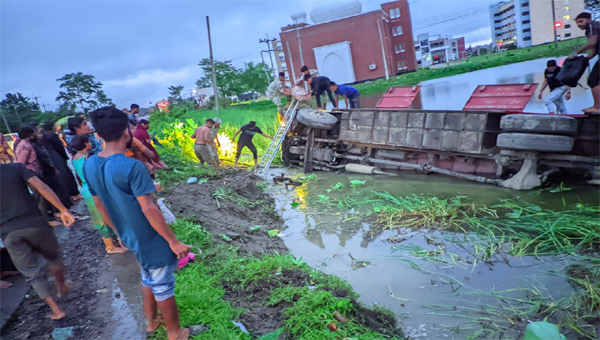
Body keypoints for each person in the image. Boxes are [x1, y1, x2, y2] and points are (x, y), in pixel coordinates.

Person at [83, 106, 205, 340]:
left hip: (128, 234)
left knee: (147, 276)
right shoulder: (131, 166)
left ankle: (151, 322)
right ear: (126, 133)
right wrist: (173, 241)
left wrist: (119, 233)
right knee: (162, 284)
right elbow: (148, 208)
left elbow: (99, 206)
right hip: (149, 236)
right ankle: (175, 333)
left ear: (98, 135)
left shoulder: (90, 165)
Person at [0, 162, 75, 320]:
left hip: (9, 233)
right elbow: (41, 188)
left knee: (32, 273)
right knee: (53, 256)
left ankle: (56, 310)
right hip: (36, 223)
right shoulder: (15, 168)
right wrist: (63, 210)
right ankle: (61, 285)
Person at [71, 135, 127, 254]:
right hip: (94, 188)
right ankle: (110, 247)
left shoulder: (75, 158)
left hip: (86, 188)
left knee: (100, 216)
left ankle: (112, 241)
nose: (91, 144)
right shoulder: (88, 158)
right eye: (89, 142)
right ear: (85, 144)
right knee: (102, 216)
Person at [40, 121, 81, 200]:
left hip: (47, 156)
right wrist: (64, 156)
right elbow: (59, 147)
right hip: (56, 155)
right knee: (65, 174)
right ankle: (72, 192)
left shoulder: (43, 136)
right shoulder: (52, 134)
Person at [574, 12, 600, 113]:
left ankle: (597, 107)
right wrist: (584, 59)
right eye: (577, 23)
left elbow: (592, 43)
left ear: (589, 19)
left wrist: (575, 53)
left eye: (581, 21)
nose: (579, 24)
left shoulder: (592, 26)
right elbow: (593, 50)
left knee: (593, 80)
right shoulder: (590, 29)